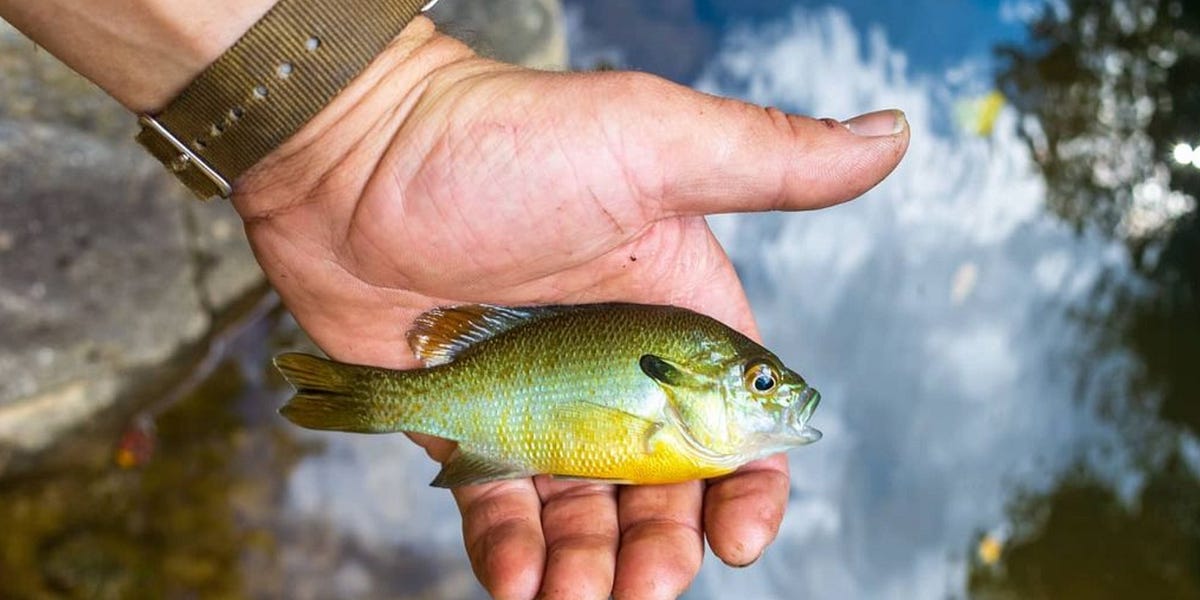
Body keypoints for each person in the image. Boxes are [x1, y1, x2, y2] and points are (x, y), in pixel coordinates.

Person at [0, 1, 909, 598]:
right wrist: (360, 124)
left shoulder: (676, 413)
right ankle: (367, 392)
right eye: (759, 383)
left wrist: (347, 118)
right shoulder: (673, 407)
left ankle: (365, 392)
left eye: (765, 383)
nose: (777, 394)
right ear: (693, 382)